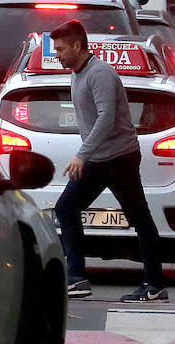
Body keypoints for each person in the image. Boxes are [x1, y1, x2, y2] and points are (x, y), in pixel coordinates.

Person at [50, 19, 168, 303]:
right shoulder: (78, 73)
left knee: (137, 217)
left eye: (61, 49)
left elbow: (106, 118)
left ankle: (153, 284)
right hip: (102, 158)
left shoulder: (99, 73)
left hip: (118, 158)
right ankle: (77, 278)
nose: (58, 54)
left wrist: (82, 154)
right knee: (67, 208)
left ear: (78, 45)